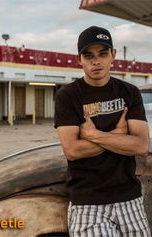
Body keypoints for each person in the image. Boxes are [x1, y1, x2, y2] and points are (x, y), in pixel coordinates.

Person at [54, 26, 151, 237]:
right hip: (87, 202)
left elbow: (141, 146)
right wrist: (119, 136)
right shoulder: (68, 96)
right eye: (88, 55)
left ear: (113, 55)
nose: (96, 61)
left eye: (102, 54)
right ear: (79, 59)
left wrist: (94, 135)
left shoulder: (129, 92)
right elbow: (73, 150)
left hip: (130, 198)